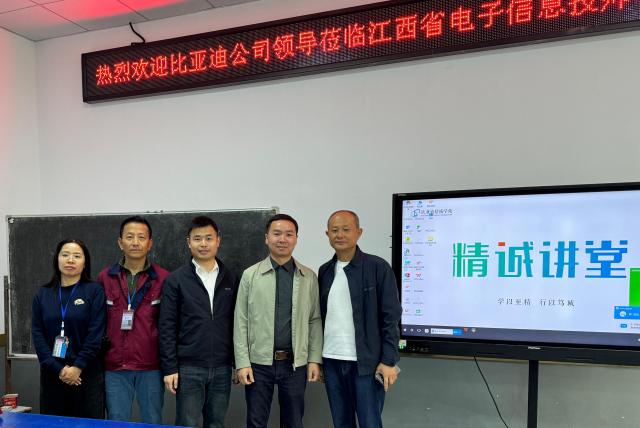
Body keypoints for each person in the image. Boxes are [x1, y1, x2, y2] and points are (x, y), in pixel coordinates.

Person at [234, 213, 323, 428]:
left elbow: (314, 320)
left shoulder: (308, 277)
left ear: (296, 239)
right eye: (277, 234)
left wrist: (314, 359)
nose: (282, 239)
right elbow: (241, 321)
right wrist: (242, 363)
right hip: (258, 363)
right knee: (256, 422)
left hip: (295, 364)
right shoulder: (250, 275)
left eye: (289, 234)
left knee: (293, 422)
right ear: (267, 238)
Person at [318, 210, 402, 428]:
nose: (340, 235)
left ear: (359, 232)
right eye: (334, 230)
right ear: (327, 234)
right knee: (341, 422)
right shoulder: (325, 271)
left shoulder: (377, 267)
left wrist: (389, 360)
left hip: (367, 363)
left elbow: (391, 317)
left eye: (346, 229)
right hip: (332, 360)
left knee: (369, 423)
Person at [159, 216, 239, 428]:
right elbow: (167, 327)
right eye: (197, 239)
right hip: (189, 368)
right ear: (189, 242)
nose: (203, 244)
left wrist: (237, 362)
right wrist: (170, 368)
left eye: (208, 238)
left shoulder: (231, 278)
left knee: (216, 423)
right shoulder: (176, 280)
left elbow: (238, 324)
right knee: (187, 423)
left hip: (222, 367)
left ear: (218, 241)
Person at [97, 216, 169, 424]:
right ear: (120, 243)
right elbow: (98, 322)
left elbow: (168, 324)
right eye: (129, 237)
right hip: (115, 365)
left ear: (150, 243)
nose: (135, 242)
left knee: (152, 420)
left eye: (141, 237)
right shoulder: (105, 277)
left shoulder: (163, 278)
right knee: (117, 420)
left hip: (151, 365)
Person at [31, 238, 106, 418]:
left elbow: (96, 333)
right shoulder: (43, 294)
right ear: (57, 259)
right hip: (52, 374)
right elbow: (37, 333)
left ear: (85, 262)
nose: (70, 260)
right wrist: (59, 369)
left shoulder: (94, 291)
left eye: (77, 256)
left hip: (86, 373)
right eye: (65, 255)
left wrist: (77, 367)